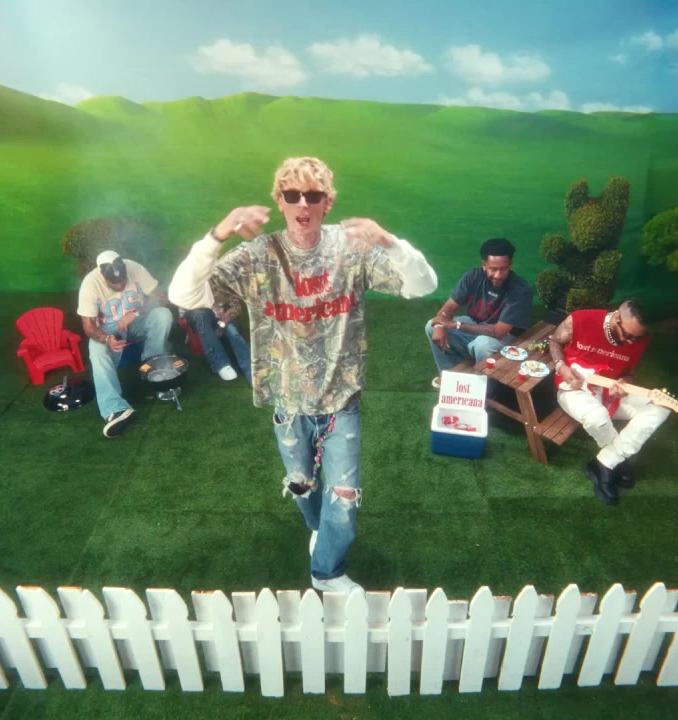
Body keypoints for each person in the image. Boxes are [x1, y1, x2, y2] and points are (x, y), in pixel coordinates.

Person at [167, 156, 438, 595]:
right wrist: (218, 234)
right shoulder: (258, 255)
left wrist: (389, 242)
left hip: (341, 402)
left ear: (327, 202)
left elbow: (423, 285)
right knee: (302, 487)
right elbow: (183, 293)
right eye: (292, 195)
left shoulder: (350, 249)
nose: (302, 204)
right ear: (280, 200)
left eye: (313, 195)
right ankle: (318, 530)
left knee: (344, 496)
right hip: (288, 402)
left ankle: (326, 572)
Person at [545, 297, 671, 506]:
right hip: (574, 388)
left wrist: (625, 383)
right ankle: (618, 461)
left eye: (636, 338)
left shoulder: (641, 338)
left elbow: (629, 372)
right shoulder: (581, 320)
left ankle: (607, 461)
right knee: (597, 417)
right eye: (628, 335)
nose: (630, 342)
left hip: (610, 392)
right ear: (616, 318)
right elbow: (555, 341)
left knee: (660, 407)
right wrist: (561, 366)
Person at [77, 250, 175, 438]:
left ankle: (152, 377)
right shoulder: (90, 283)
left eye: (123, 281)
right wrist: (107, 339)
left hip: (138, 319)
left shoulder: (134, 267)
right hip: (108, 328)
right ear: (102, 275)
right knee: (96, 350)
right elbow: (88, 326)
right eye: (115, 283)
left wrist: (136, 312)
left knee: (163, 315)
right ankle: (115, 409)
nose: (121, 285)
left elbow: (161, 297)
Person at [426, 237, 533, 387]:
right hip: (476, 325)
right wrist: (439, 325)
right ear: (484, 265)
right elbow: (449, 306)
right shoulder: (473, 276)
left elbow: (499, 331)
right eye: (493, 269)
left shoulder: (520, 289)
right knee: (431, 326)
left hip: (508, 337)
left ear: (511, 264)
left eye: (503, 269)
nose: (498, 275)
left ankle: (481, 388)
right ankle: (451, 375)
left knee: (482, 344)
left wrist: (456, 325)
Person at [180, 297, 252, 384]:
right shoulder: (193, 292)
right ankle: (221, 363)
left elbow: (236, 307)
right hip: (202, 320)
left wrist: (222, 324)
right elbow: (186, 313)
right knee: (199, 314)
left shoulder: (223, 290)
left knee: (232, 332)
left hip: (225, 318)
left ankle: (250, 368)